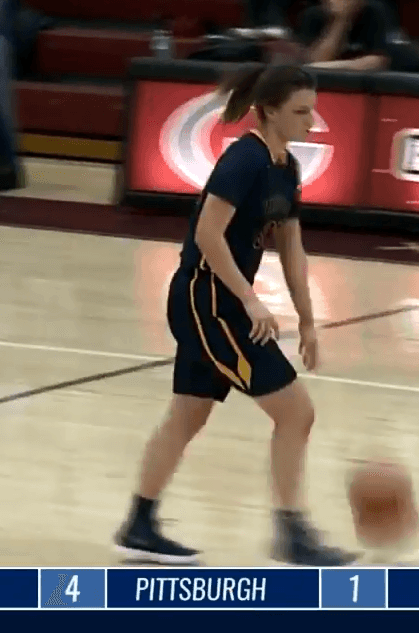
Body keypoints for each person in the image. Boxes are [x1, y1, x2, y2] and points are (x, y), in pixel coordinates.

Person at [114, 64, 357, 567]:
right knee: (296, 412)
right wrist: (249, 298)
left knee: (188, 414)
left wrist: (308, 320)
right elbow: (207, 233)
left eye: (312, 110)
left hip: (218, 303)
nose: (311, 121)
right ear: (269, 111)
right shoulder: (243, 160)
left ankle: (139, 525)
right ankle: (292, 534)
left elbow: (292, 246)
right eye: (300, 111)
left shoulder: (286, 168)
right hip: (208, 303)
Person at [296, 0, 393, 71]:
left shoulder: (374, 12)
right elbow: (314, 61)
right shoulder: (312, 15)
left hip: (362, 80)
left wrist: (332, 66)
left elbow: (377, 62)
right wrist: (340, 21)